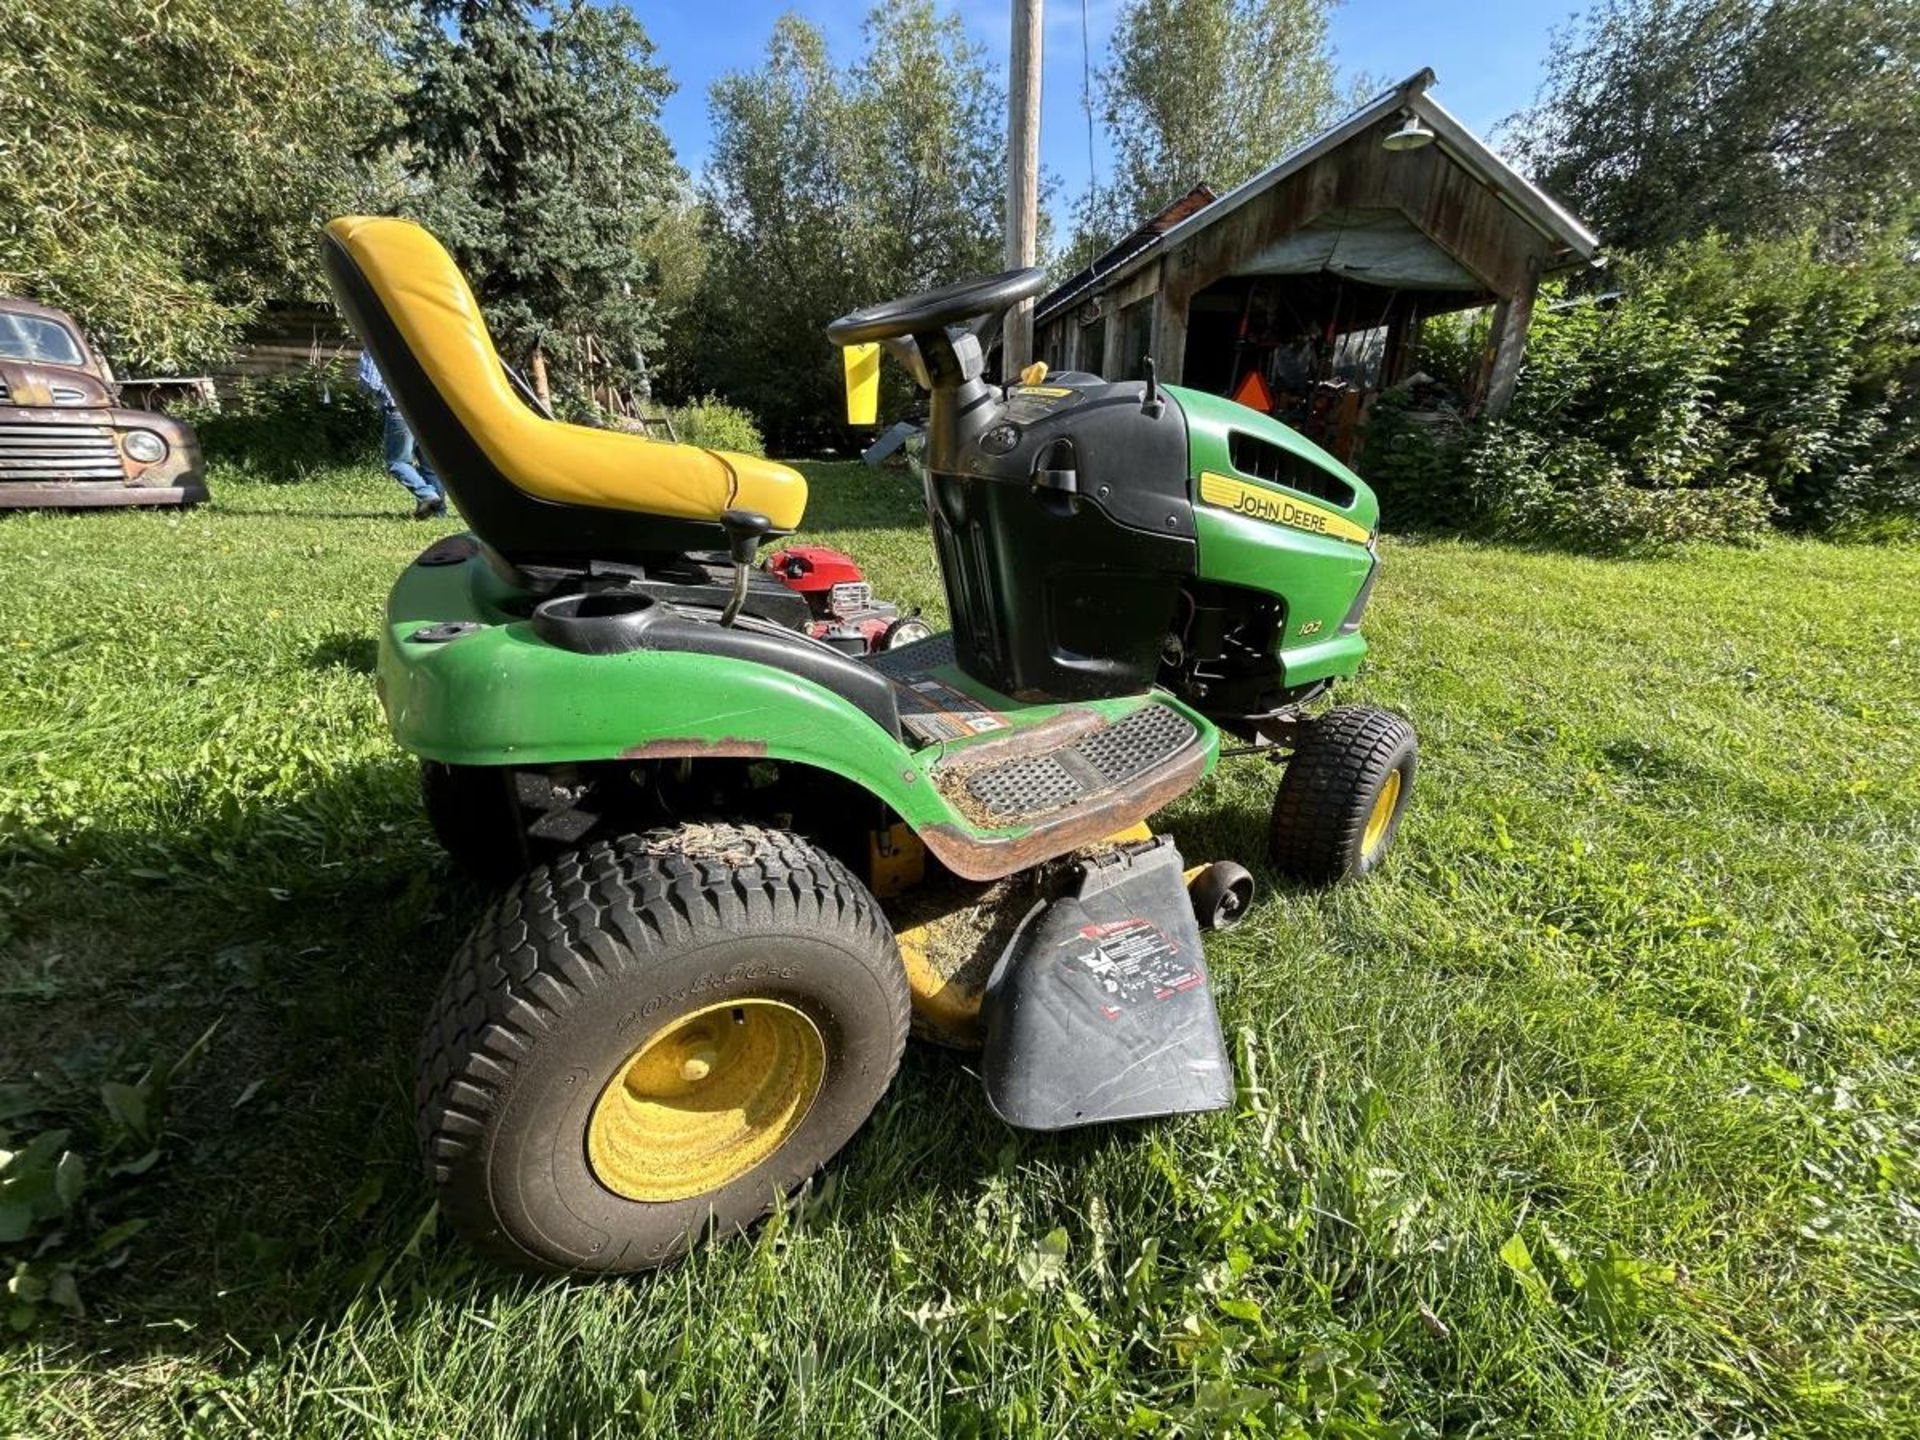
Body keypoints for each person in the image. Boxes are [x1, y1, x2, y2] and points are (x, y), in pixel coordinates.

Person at [358, 350, 447, 519]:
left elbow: (371, 383)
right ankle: (438, 514)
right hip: (430, 409)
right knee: (429, 465)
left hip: (401, 410)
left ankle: (427, 494)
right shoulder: (415, 342)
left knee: (397, 462)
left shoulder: (374, 346)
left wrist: (366, 392)